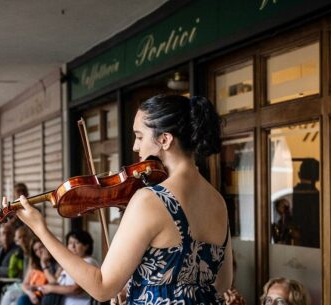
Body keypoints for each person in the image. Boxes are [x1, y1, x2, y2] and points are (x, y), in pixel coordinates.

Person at [16, 95, 233, 304]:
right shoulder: (217, 201)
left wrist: (41, 230)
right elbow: (222, 283)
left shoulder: (150, 200)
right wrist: (137, 286)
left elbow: (101, 288)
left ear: (164, 139)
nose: (135, 147)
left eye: (139, 137)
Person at [36, 230, 98, 305]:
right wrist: (44, 264)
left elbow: (76, 289)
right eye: (70, 243)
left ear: (86, 246)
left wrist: (50, 289)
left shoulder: (88, 262)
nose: (72, 246)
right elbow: (54, 282)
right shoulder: (70, 262)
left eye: (77, 243)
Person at [291, 158, 320, 248]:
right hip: (315, 244)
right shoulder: (321, 198)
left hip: (296, 244)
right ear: (318, 177)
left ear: (299, 174)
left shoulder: (290, 194)